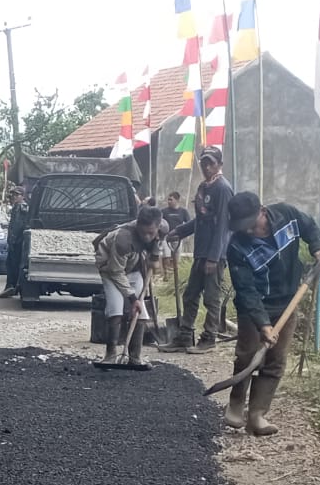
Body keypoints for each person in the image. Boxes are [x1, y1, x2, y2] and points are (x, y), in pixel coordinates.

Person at [224, 192, 320, 436]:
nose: (248, 231)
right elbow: (246, 290)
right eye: (242, 227)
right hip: (254, 306)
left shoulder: (287, 215)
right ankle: (236, 404)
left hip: (287, 300)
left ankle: (257, 414)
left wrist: (318, 247)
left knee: (276, 360)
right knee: (248, 355)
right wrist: (263, 325)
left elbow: (309, 226)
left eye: (252, 225)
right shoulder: (237, 246)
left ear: (263, 211)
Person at [169, 149, 234, 349]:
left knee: (211, 297)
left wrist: (214, 258)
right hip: (200, 250)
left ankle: (209, 337)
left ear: (219, 164)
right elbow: (201, 220)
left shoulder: (223, 188)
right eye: (204, 163)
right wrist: (180, 231)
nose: (206, 167)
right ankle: (185, 335)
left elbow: (223, 225)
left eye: (211, 163)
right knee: (190, 294)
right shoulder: (203, 187)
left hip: (215, 253)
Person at [94, 205, 163, 369]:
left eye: (151, 233)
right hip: (110, 270)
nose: (147, 237)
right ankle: (110, 355)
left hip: (134, 269)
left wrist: (154, 256)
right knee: (115, 309)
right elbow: (115, 271)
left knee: (141, 313)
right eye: (143, 232)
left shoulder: (162, 228)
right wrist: (132, 299)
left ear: (158, 227)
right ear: (137, 225)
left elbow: (157, 242)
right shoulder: (123, 239)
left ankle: (135, 357)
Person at [0, 185, 28, 298]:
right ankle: (12, 287)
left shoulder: (21, 207)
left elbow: (18, 226)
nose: (14, 197)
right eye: (13, 195)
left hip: (18, 242)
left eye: (16, 194)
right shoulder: (17, 207)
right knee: (12, 264)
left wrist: (13, 241)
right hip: (16, 241)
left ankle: (11, 286)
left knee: (13, 265)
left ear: (22, 196)